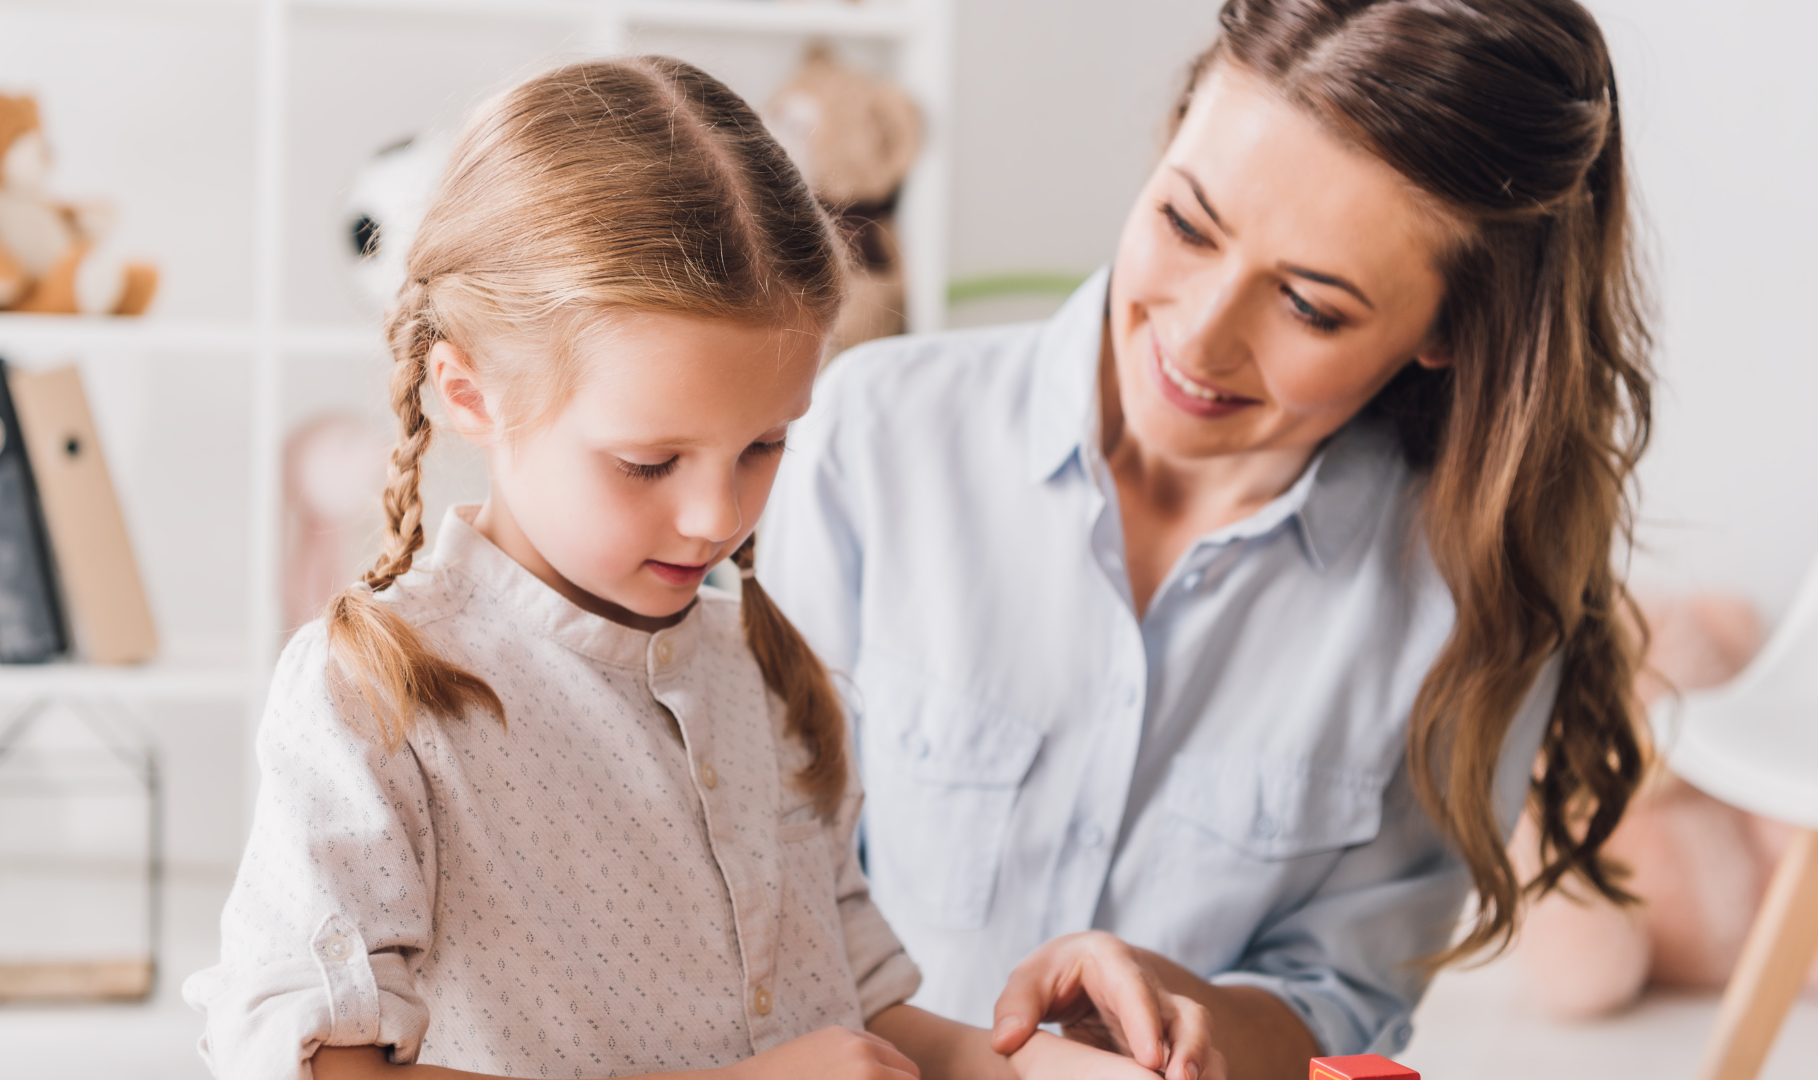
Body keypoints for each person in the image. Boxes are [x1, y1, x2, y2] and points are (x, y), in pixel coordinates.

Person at [183, 57, 1161, 1080]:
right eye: (649, 462)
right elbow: (313, 1066)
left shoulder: (766, 679)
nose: (718, 516)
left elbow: (860, 1032)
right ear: (469, 395)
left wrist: (1047, 1068)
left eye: (764, 446)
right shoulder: (376, 703)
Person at [758, 2, 1653, 1078]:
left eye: (1312, 306)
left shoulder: (1468, 594)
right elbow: (765, 882)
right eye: (1187, 224)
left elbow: (1345, 993)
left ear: (1452, 331)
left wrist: (1190, 1021)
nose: (1198, 334)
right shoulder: (873, 435)